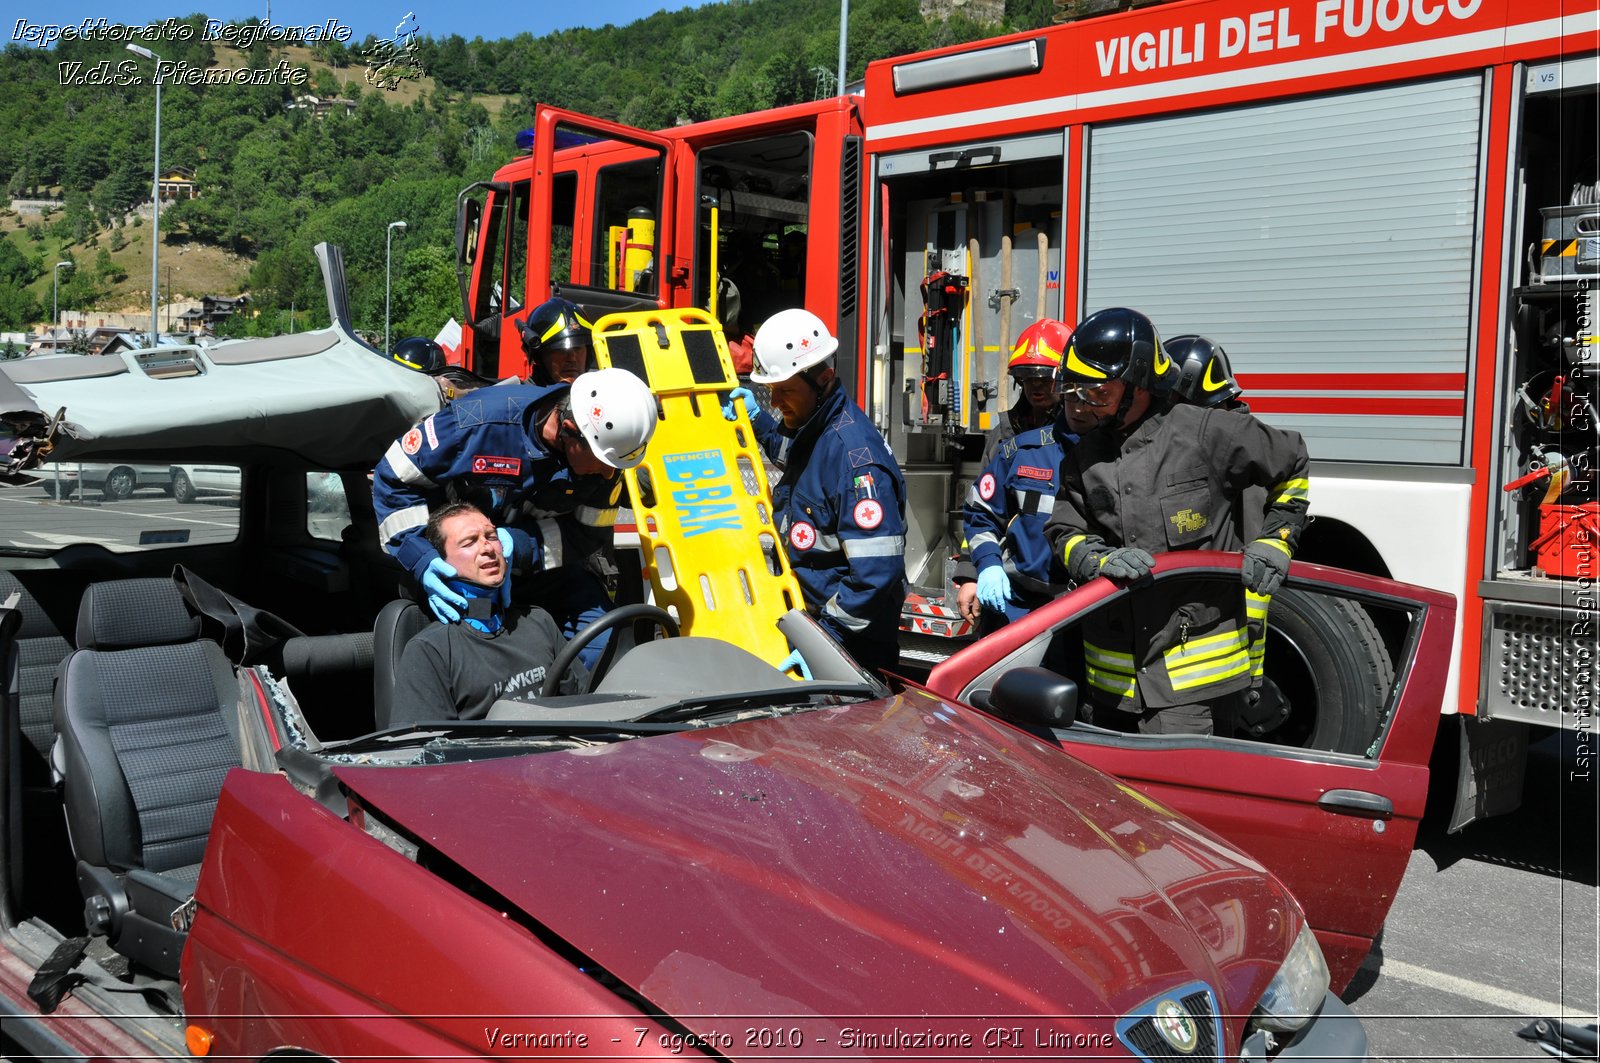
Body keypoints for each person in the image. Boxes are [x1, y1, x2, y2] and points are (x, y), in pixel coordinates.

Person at [1042, 307, 1310, 736]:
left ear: (1138, 385)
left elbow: (1291, 460)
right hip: (1111, 692)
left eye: (1095, 392)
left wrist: (1276, 540)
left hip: (1191, 693)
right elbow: (1064, 530)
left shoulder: (1206, 432)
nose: (1079, 404)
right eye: (1072, 391)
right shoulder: (1083, 456)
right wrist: (1093, 560)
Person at [372, 366, 658, 669]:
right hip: (460, 574)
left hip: (544, 571)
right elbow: (394, 477)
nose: (609, 474)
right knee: (481, 660)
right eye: (602, 462)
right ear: (570, 430)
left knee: (607, 646)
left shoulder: (606, 452)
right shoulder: (475, 423)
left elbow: (589, 533)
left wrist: (517, 546)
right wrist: (424, 559)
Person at [723, 309, 908, 673]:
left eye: (785, 391)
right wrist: (758, 420)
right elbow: (794, 454)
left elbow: (875, 573)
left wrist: (826, 642)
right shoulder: (818, 429)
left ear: (823, 379)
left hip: (851, 648)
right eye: (771, 391)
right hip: (813, 626)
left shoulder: (857, 461)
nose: (775, 403)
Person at [391, 502, 588, 724]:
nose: (487, 548)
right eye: (469, 542)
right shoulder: (430, 650)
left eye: (492, 536)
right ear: (440, 562)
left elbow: (585, 703)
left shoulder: (538, 621)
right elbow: (424, 748)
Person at [954, 318, 1071, 625]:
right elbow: (981, 511)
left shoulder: (1079, 439)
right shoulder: (1004, 437)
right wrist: (972, 573)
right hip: (1011, 592)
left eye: (1044, 378)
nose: (1035, 387)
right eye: (1027, 378)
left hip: (1068, 595)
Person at [516, 297, 595, 386]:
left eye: (577, 348)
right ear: (539, 357)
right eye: (561, 350)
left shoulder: (603, 392)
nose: (572, 359)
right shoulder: (524, 398)